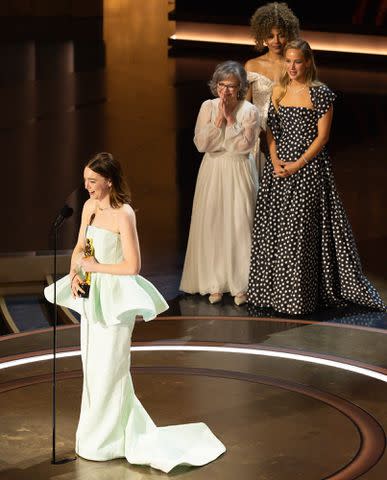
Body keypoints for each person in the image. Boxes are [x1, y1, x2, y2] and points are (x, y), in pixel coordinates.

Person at [44, 152, 226, 473]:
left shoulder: (123, 214)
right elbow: (80, 248)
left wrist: (95, 267)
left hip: (115, 298)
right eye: (86, 180)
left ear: (109, 181)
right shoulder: (89, 207)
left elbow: (133, 266)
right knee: (92, 368)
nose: (87, 187)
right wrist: (76, 273)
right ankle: (95, 440)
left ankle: (111, 440)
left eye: (93, 182)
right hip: (91, 296)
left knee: (110, 369)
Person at [247, 39, 387, 315]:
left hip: (308, 169)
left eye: (297, 61)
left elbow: (322, 137)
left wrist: (298, 164)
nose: (292, 67)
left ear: (308, 62)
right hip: (278, 171)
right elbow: (271, 132)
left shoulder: (320, 94)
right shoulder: (278, 90)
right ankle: (270, 295)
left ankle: (296, 298)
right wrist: (275, 161)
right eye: (288, 61)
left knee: (298, 234)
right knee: (274, 231)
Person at [179, 61, 260, 305]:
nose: (225, 91)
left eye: (231, 86)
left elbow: (244, 147)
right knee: (213, 224)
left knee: (239, 224)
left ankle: (241, 283)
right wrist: (217, 123)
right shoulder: (207, 107)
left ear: (240, 88)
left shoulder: (250, 111)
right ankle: (214, 282)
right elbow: (202, 145)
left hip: (238, 170)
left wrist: (230, 120)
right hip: (213, 170)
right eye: (221, 85)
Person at [245, 2, 300, 178]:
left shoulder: (294, 65)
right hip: (258, 133)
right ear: (262, 37)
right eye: (270, 36)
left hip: (288, 134)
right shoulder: (252, 65)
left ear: (289, 35)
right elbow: (244, 106)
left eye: (281, 35)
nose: (276, 41)